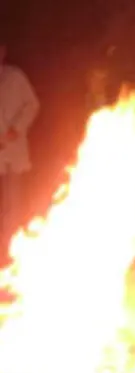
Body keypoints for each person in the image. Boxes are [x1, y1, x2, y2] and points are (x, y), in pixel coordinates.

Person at [0, 40, 40, 262]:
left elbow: (32, 104)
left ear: (3, 52)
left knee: (12, 206)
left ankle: (9, 254)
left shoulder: (15, 77)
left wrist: (16, 129)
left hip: (13, 155)